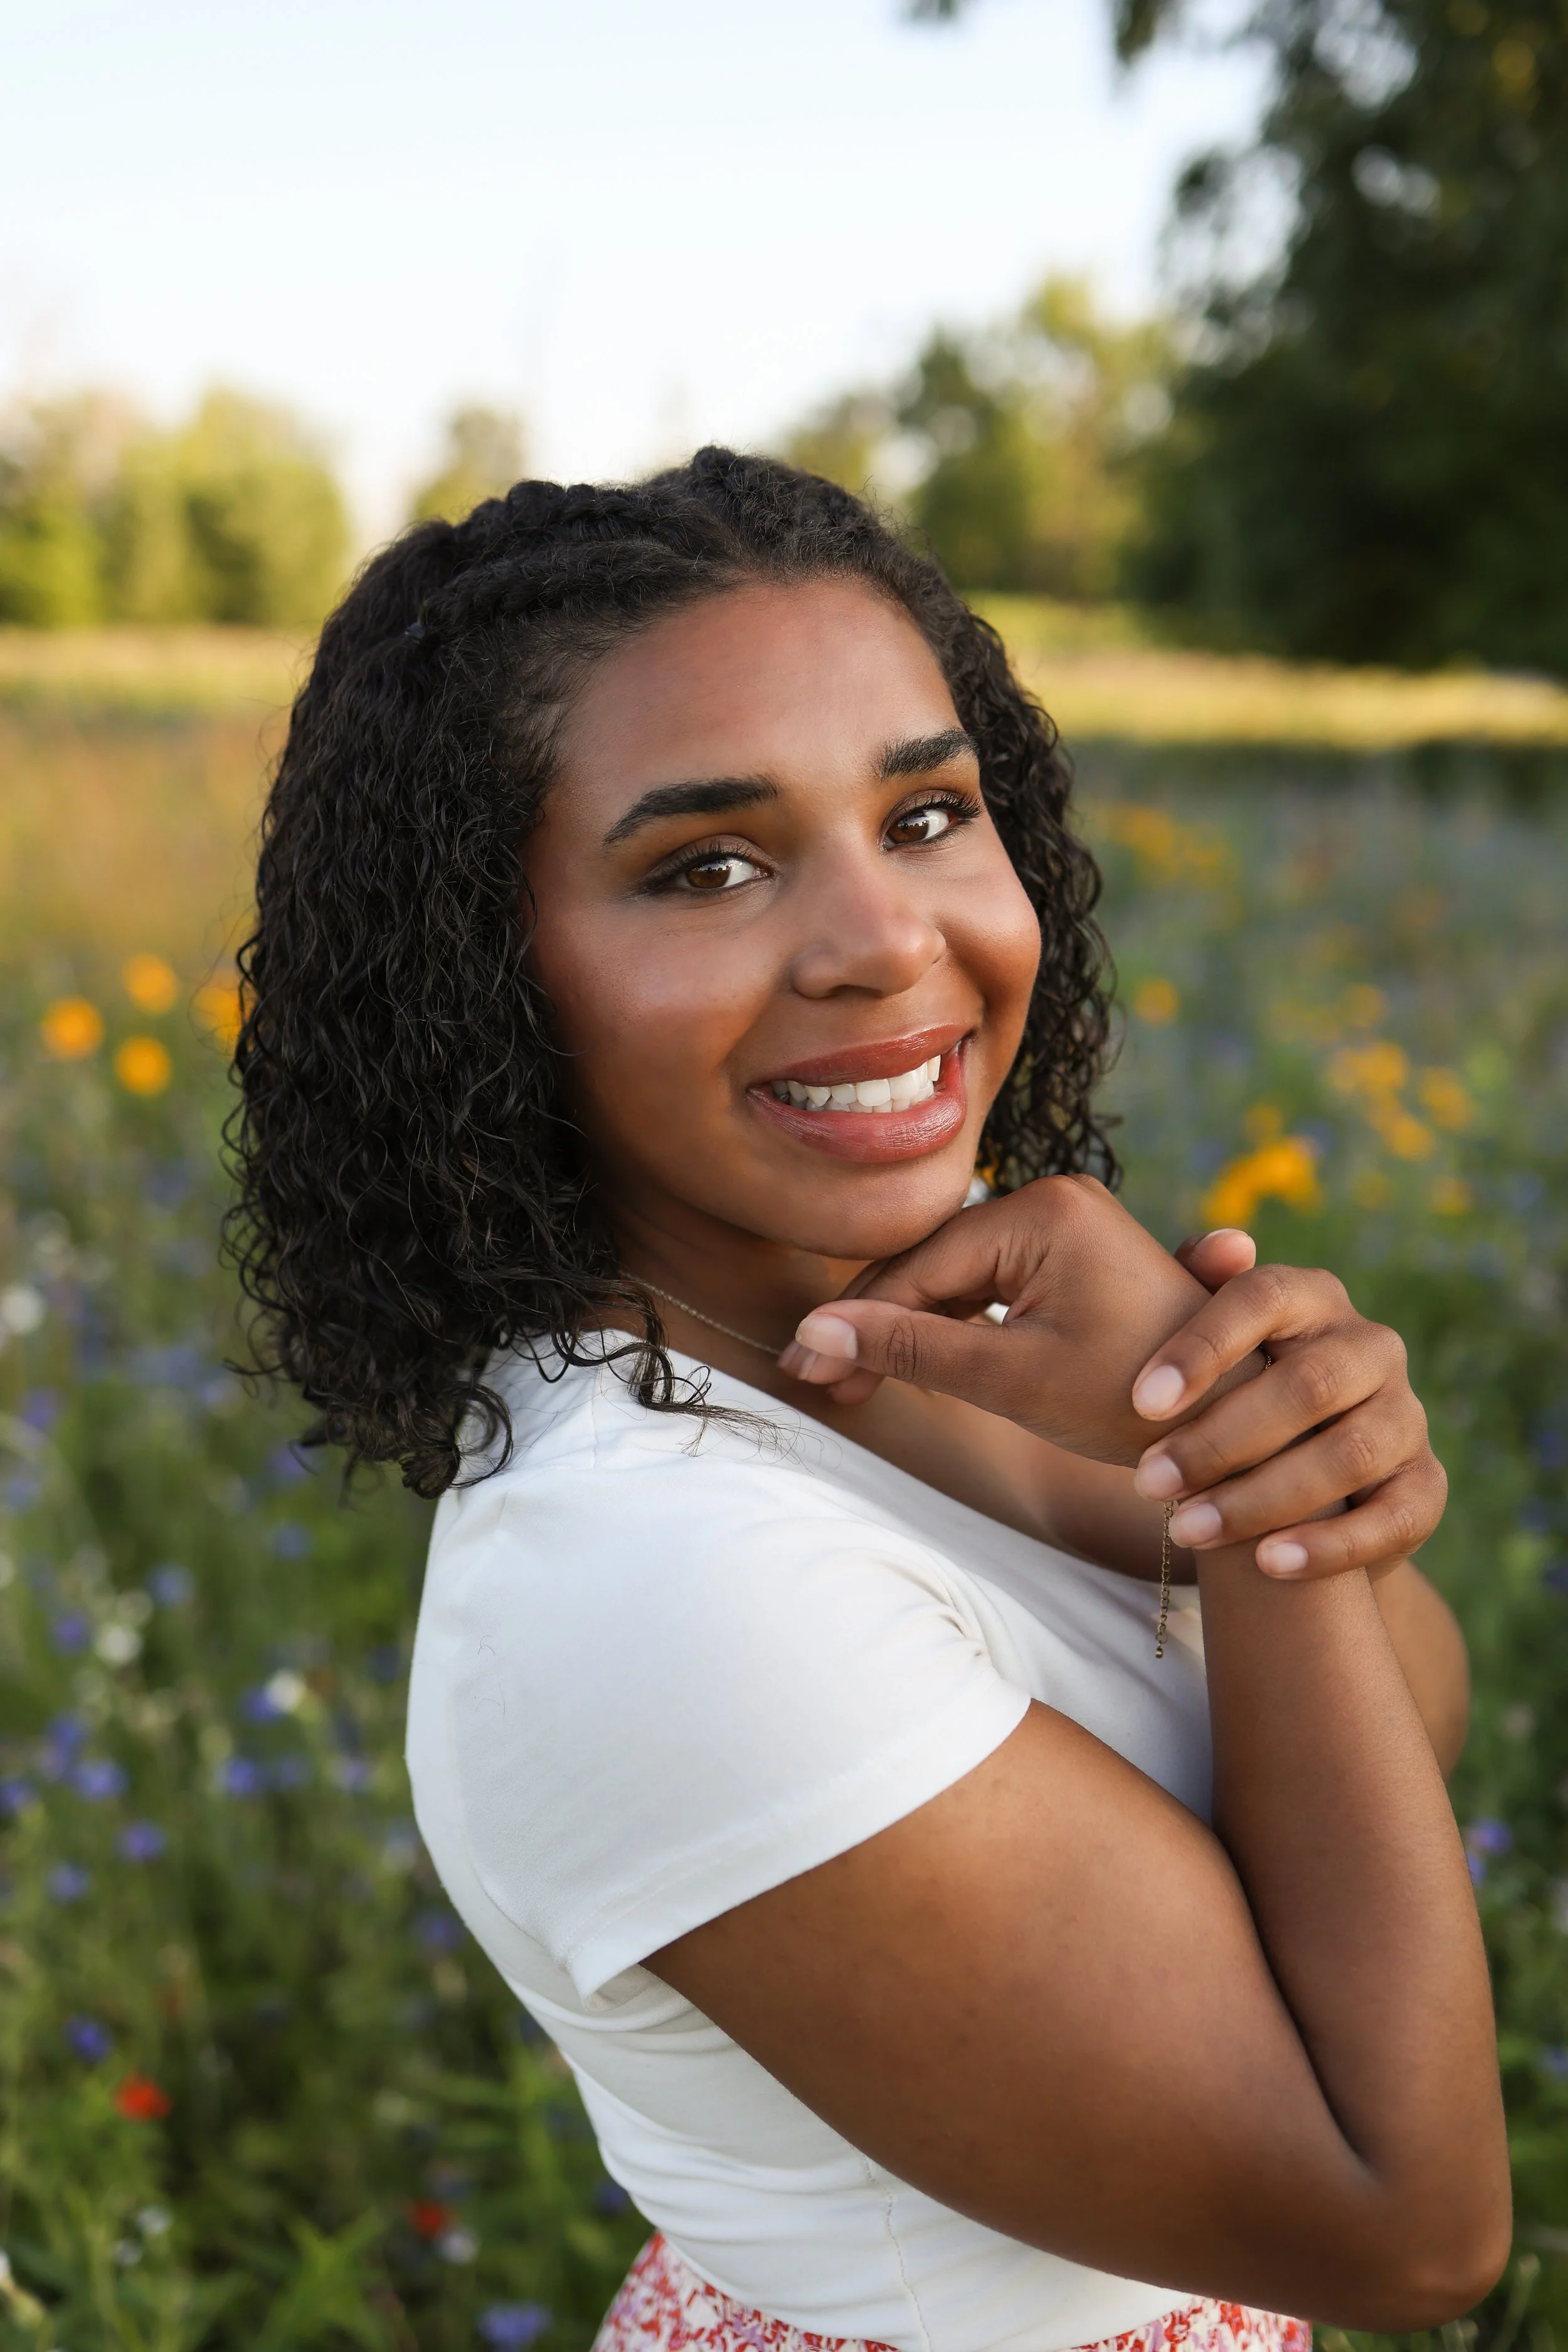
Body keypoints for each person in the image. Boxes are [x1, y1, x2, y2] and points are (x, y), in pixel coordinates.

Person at [233, 450, 1509, 2352]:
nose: (884, 941)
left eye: (924, 813)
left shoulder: (874, 1348)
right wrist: (1252, 1492)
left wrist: (1233, 1446)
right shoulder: (649, 1576)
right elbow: (1402, 2225)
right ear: (484, 977)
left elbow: (1403, 1711)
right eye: (710, 866)